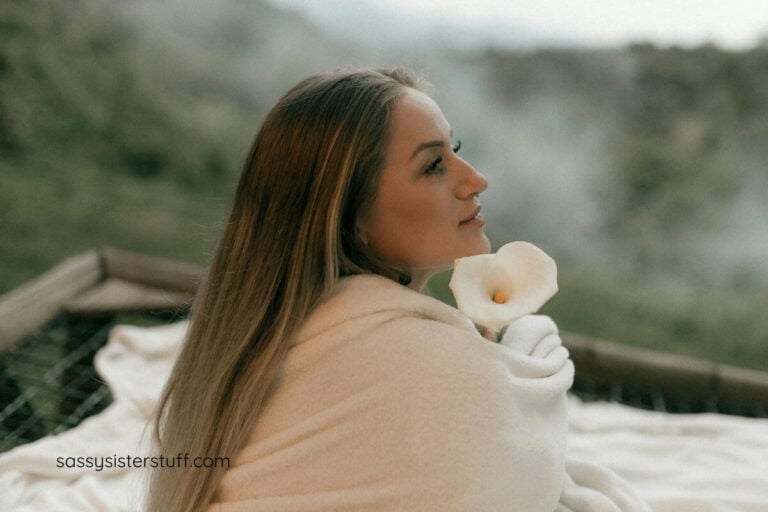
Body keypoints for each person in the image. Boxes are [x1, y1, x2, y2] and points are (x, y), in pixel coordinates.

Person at [146, 68, 649, 512]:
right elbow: (516, 480)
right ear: (352, 217)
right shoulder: (411, 358)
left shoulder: (277, 332)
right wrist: (506, 359)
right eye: (433, 166)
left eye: (456, 151)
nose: (476, 180)